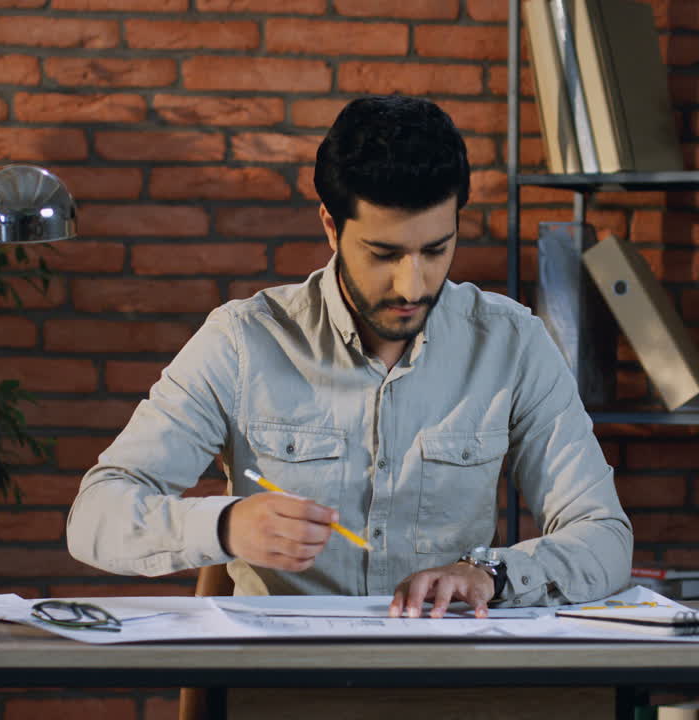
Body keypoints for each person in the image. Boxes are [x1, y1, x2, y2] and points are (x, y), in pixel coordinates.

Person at [67, 94, 632, 619]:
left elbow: (604, 538)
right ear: (331, 228)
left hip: (448, 678)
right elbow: (97, 515)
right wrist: (224, 524)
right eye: (385, 253)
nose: (413, 285)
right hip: (282, 685)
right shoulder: (242, 341)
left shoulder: (510, 342)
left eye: (436, 250)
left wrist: (489, 574)